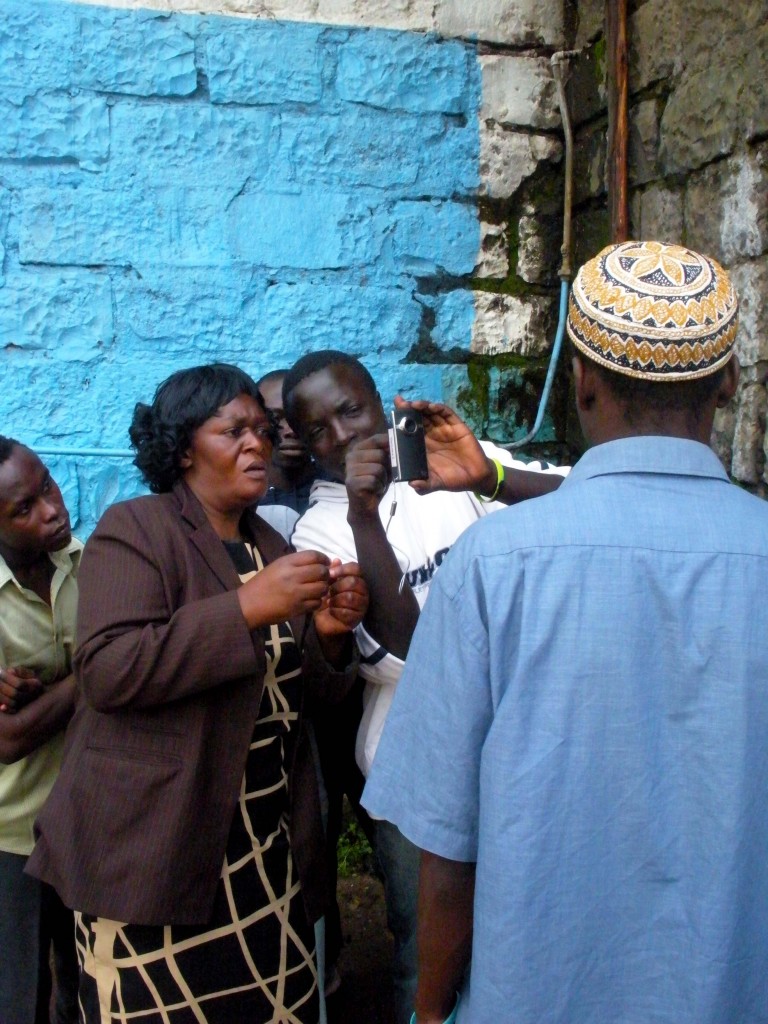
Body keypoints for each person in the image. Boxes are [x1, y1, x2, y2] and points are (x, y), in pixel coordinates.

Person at [362, 241, 768, 1024]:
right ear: (728, 384)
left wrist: (431, 1005)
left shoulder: (495, 562)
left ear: (579, 382)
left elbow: (447, 851)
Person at [27, 364, 368, 1023]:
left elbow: (300, 703)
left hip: (261, 861)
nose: (257, 444)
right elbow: (108, 669)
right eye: (233, 430)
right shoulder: (136, 531)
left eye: (263, 431)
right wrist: (243, 608)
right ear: (184, 448)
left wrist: (327, 636)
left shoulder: (271, 544)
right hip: (156, 855)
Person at [282, 350, 566, 1023]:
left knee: (530, 932)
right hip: (419, 777)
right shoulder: (318, 529)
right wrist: (360, 514)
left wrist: (490, 476)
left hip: (521, 750)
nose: (343, 434)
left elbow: (588, 504)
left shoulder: (455, 468)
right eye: (319, 428)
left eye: (351, 409)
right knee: (430, 954)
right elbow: (406, 654)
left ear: (380, 404)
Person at [258, 367, 373, 998]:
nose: (289, 434)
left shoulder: (343, 492)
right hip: (309, 709)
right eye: (277, 423)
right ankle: (320, 968)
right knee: (314, 835)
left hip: (359, 701)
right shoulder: (266, 504)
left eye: (289, 420)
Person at [0, 437, 79, 1024]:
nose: (51, 509)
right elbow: (9, 740)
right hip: (12, 830)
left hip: (87, 818)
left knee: (89, 982)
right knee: (19, 993)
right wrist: (101, 670)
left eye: (47, 486)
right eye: (23, 509)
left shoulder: (87, 563)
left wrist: (44, 697)